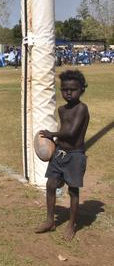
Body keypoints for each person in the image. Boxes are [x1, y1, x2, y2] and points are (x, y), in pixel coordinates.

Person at [35, 70, 90, 241]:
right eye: (64, 89)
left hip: (75, 155)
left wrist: (52, 134)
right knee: (51, 185)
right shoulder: (61, 109)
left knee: (73, 191)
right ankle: (50, 221)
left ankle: (71, 224)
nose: (68, 92)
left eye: (72, 89)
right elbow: (64, 130)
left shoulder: (82, 108)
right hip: (59, 153)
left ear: (82, 89)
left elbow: (72, 132)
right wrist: (50, 147)